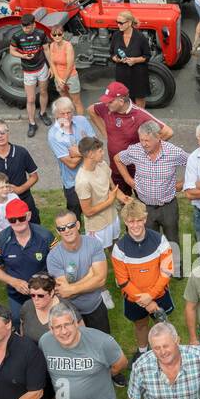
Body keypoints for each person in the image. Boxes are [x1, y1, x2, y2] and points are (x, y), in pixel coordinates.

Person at [40, 304, 128, 399]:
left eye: (67, 324)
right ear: (51, 329)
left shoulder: (101, 342)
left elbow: (121, 362)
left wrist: (106, 375)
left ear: (76, 324)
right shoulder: (45, 342)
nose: (63, 332)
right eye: (57, 327)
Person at [115, 122, 186, 271]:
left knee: (172, 238)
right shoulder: (135, 150)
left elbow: (194, 164)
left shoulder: (174, 152)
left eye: (147, 140)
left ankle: (176, 269)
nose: (144, 144)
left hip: (168, 206)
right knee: (148, 239)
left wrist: (183, 184)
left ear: (158, 137)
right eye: (141, 139)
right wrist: (129, 180)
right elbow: (118, 159)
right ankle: (153, 268)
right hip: (144, 206)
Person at [111, 198, 174, 348]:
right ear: (125, 222)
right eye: (131, 221)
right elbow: (123, 281)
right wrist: (146, 301)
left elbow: (166, 272)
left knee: (162, 326)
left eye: (139, 220)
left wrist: (150, 296)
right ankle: (143, 351)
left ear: (145, 219)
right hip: (134, 299)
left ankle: (165, 350)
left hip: (159, 294)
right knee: (140, 325)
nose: (135, 225)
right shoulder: (119, 248)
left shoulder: (160, 241)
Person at [89, 81, 174, 193]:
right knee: (122, 199)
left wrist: (145, 149)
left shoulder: (139, 115)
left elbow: (168, 132)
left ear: (121, 101)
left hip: (136, 169)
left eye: (110, 101)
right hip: (116, 168)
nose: (106, 104)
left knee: (144, 198)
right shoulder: (106, 108)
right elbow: (91, 110)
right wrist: (106, 134)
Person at [0, 199, 53, 318]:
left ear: (28, 216)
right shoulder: (0, 240)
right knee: (18, 322)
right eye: (12, 220)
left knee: (49, 322)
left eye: (21, 218)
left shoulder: (45, 236)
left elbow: (59, 260)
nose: (17, 222)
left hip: (44, 292)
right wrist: (14, 282)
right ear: (7, 219)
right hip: (16, 296)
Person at [76, 136, 123, 250]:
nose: (103, 153)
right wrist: (110, 201)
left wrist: (123, 198)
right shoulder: (82, 181)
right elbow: (87, 211)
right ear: (91, 154)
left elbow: (112, 187)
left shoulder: (102, 165)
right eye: (100, 151)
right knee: (98, 257)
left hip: (112, 217)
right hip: (97, 226)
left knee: (116, 249)